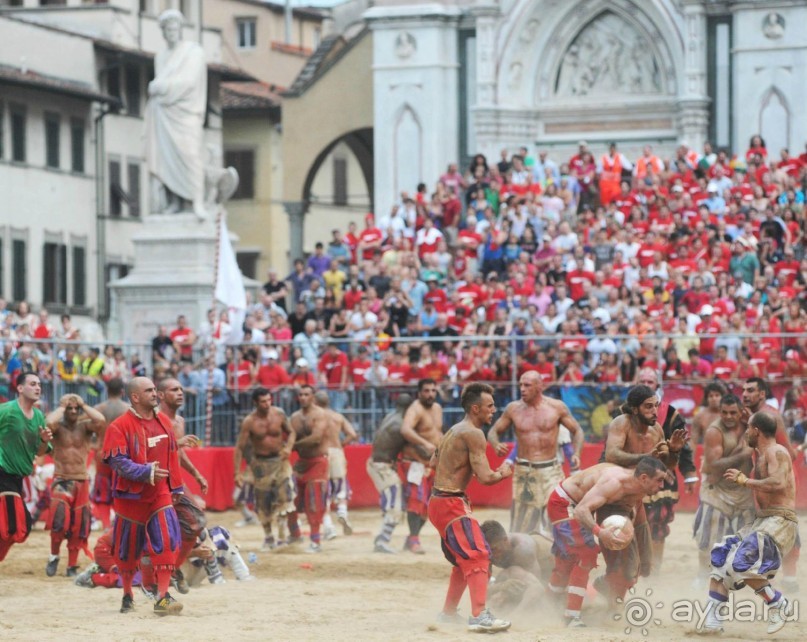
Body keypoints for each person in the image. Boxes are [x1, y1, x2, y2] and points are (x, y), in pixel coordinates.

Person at [700, 412, 798, 635]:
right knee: (721, 557)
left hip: (780, 520)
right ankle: (713, 620)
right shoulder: (760, 455)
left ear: (756, 430)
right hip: (763, 521)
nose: (745, 432)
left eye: (748, 429)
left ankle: (777, 602)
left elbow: (778, 482)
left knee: (741, 562)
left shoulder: (777, 451)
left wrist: (745, 481)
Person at [429, 382, 513, 633]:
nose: (494, 410)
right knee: (478, 555)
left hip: (440, 502)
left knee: (462, 560)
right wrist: (504, 472)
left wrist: (464, 468)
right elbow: (487, 478)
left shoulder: (454, 429)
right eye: (489, 406)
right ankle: (479, 616)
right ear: (475, 408)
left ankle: (448, 613)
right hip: (451, 503)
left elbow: (433, 462)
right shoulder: (474, 433)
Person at [546, 458, 668, 627]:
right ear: (644, 478)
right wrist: (600, 532)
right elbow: (581, 510)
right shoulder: (614, 483)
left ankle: (551, 601)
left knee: (633, 564)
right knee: (586, 553)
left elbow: (640, 519)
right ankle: (571, 616)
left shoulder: (641, 487)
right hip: (565, 503)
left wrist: (645, 557)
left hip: (584, 507)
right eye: (660, 480)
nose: (663, 485)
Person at [101, 377, 188, 615]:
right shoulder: (118, 426)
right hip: (130, 498)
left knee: (169, 539)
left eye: (154, 389)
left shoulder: (164, 423)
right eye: (149, 390)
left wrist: (177, 487)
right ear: (135, 397)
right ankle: (128, 593)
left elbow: (172, 457)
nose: (155, 394)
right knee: (127, 551)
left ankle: (162, 596)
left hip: (160, 494)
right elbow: (118, 463)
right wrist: (146, 471)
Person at [600, 384, 687, 600]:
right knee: (624, 560)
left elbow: (666, 466)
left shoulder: (657, 429)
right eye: (648, 407)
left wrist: (674, 450)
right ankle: (611, 600)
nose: (654, 412)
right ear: (635, 408)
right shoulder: (621, 424)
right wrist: (646, 457)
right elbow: (612, 454)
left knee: (645, 564)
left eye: (656, 406)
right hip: (615, 498)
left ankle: (605, 585)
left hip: (636, 499)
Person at [488, 371, 583, 536]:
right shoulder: (513, 409)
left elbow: (577, 430)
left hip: (551, 471)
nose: (522, 389)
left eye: (527, 385)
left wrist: (577, 453)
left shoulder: (557, 407)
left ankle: (560, 558)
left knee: (558, 516)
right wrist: (495, 444)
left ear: (540, 386)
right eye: (520, 385)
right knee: (521, 523)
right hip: (525, 471)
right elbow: (493, 432)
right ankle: (520, 559)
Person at [145, 9, 208, 219]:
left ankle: (197, 202)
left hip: (187, 113)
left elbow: (189, 82)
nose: (171, 32)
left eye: (174, 28)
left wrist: (160, 87)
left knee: (191, 156)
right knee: (166, 160)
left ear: (180, 29)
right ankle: (175, 201)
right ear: (162, 33)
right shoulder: (160, 58)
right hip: (164, 115)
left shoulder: (194, 52)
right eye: (167, 29)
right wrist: (158, 88)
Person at [634, 368, 697, 572]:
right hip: (631, 476)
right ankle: (632, 567)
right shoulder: (623, 412)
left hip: (663, 477)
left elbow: (683, 446)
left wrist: (688, 474)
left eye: (649, 381)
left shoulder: (670, 413)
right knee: (629, 522)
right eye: (642, 380)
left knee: (658, 525)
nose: (645, 384)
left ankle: (654, 568)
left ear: (657, 386)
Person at [692, 394, 755, 585]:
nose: (728, 416)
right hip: (717, 491)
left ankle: (742, 576)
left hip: (743, 490)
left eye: (733, 413)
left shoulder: (749, 427)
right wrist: (743, 453)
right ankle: (703, 575)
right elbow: (713, 466)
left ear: (740, 412)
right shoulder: (714, 431)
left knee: (747, 538)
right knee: (709, 538)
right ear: (720, 412)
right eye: (724, 412)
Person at [44, 393, 106, 577]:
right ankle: (54, 556)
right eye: (69, 409)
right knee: (59, 521)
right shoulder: (57, 427)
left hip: (81, 479)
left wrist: (83, 404)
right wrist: (62, 406)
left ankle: (72, 565)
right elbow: (48, 422)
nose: (72, 411)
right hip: (62, 478)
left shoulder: (85, 426)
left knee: (80, 525)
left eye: (75, 409)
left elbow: (101, 420)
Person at [157, 378, 208, 593]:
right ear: (160, 395)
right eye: (174, 390)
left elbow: (179, 453)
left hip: (176, 481)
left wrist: (197, 475)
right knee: (159, 532)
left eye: (180, 389)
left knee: (196, 522)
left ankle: (174, 570)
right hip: (157, 481)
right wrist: (176, 444)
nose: (180, 392)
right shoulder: (155, 419)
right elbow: (153, 450)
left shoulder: (180, 421)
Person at [0, 373, 53, 562]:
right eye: (32, 384)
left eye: (39, 384)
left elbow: (40, 452)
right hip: (2, 472)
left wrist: (44, 441)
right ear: (20, 388)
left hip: (17, 478)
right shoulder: (6, 410)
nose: (38, 387)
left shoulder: (38, 416)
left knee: (21, 527)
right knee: (14, 526)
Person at [234, 388, 295, 550]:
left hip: (280, 461)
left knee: (285, 497)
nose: (267, 404)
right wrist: (237, 473)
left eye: (269, 400)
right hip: (261, 464)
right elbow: (240, 447)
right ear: (256, 403)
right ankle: (268, 536)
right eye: (263, 401)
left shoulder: (279, 414)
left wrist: (288, 447)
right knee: (263, 502)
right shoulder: (249, 421)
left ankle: (282, 535)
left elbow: (291, 432)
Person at [399, 378, 444, 554]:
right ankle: (414, 540)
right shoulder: (415, 409)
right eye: (426, 390)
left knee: (429, 506)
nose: (430, 394)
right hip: (415, 463)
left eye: (433, 390)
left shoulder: (438, 409)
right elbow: (405, 430)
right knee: (415, 502)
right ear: (419, 393)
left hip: (431, 463)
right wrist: (425, 444)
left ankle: (412, 538)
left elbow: (437, 432)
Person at [367, 394, 412, 553]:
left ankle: (382, 538)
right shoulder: (401, 425)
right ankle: (383, 540)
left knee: (393, 501)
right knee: (395, 505)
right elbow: (412, 445)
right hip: (382, 467)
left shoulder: (390, 417)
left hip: (378, 464)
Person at [289, 385, 330, 553]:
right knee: (289, 498)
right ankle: (295, 534)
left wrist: (291, 446)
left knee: (314, 501)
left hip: (318, 461)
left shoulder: (320, 414)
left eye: (307, 394)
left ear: (312, 396)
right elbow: (291, 435)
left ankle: (316, 541)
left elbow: (316, 438)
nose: (303, 397)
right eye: (301, 395)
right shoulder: (295, 417)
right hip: (302, 461)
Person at [313, 392, 358, 539]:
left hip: (322, 453)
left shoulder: (316, 417)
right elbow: (352, 434)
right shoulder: (337, 416)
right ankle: (342, 512)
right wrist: (340, 445)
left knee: (322, 489)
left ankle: (328, 526)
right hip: (337, 452)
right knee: (341, 486)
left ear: (315, 402)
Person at [479, 520, 543, 614]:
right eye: (488, 551)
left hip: (551, 575)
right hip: (520, 576)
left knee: (513, 573)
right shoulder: (487, 551)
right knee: (505, 579)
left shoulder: (524, 549)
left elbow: (537, 588)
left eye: (494, 549)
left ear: (505, 540)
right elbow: (481, 590)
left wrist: (514, 615)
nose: (491, 555)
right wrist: (502, 587)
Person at [92, 378, 130, 529]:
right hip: (121, 453)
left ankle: (107, 526)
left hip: (102, 452)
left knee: (103, 491)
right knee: (119, 489)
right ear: (122, 391)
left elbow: (90, 430)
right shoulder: (128, 410)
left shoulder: (98, 409)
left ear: (107, 390)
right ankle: (118, 525)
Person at [691, 381, 727, 445]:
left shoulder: (730, 414)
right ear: (707, 399)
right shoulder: (700, 416)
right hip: (708, 452)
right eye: (711, 396)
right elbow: (693, 441)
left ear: (722, 397)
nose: (714, 398)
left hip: (729, 452)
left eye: (717, 395)